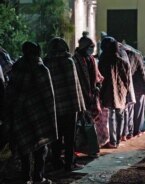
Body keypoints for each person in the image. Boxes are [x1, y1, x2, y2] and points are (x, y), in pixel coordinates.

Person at [4, 41, 57, 183]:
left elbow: (10, 92)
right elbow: (48, 96)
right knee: (41, 148)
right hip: (38, 115)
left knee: (24, 148)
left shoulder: (17, 67)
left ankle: (25, 177)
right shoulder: (41, 69)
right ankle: (38, 178)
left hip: (19, 115)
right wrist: (52, 119)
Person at [44, 37, 85, 171]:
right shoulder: (68, 62)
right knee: (69, 137)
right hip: (69, 106)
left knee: (56, 137)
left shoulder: (46, 62)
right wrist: (80, 107)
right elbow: (74, 86)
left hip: (53, 107)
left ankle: (56, 162)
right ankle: (69, 163)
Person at [73, 34, 104, 156]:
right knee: (80, 123)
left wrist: (97, 86)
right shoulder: (75, 60)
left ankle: (90, 148)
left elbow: (97, 76)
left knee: (89, 122)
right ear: (84, 47)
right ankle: (82, 148)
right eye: (90, 46)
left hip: (91, 95)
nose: (92, 49)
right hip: (80, 96)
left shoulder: (91, 59)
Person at [98, 36, 130, 148]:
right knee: (119, 114)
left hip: (107, 91)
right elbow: (127, 78)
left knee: (111, 116)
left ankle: (113, 140)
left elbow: (99, 77)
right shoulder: (122, 59)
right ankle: (118, 139)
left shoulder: (103, 59)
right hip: (121, 91)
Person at [121, 43, 145, 139]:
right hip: (138, 88)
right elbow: (143, 74)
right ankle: (136, 130)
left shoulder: (119, 56)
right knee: (138, 111)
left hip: (125, 88)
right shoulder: (137, 56)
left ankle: (126, 132)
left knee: (127, 111)